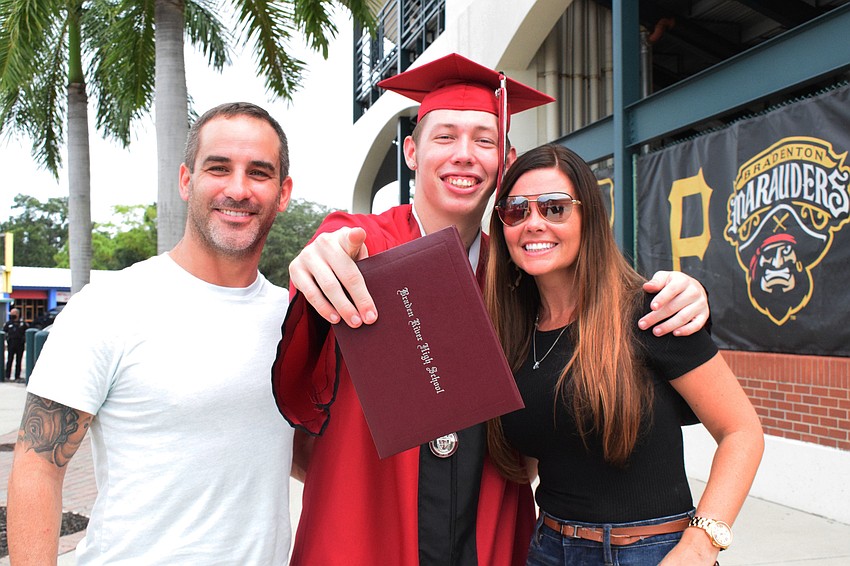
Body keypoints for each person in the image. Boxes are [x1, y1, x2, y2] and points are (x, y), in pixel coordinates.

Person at [273, 53, 711, 565]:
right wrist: (320, 259)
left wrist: (685, 289)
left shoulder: (520, 278)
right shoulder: (364, 245)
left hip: (490, 526)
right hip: (369, 525)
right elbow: (327, 269)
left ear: (505, 159)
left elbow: (598, 300)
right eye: (445, 137)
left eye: (484, 140)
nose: (465, 154)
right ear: (412, 152)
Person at [7, 102, 295, 565]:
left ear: (282, 193)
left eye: (258, 173)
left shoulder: (293, 319)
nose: (238, 189)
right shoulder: (109, 306)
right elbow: (38, 464)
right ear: (186, 180)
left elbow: (293, 451)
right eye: (218, 168)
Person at [484, 144, 764, 565]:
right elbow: (527, 462)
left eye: (555, 208)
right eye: (516, 210)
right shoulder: (513, 334)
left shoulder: (650, 311)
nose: (533, 223)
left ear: (588, 217)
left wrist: (699, 546)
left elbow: (742, 432)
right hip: (548, 547)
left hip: (649, 552)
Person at [4, 308, 27, 381]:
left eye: (13, 314)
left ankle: (17, 376)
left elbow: (26, 332)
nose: (11, 315)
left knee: (18, 361)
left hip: (20, 344)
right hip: (11, 344)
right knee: (9, 360)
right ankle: (7, 376)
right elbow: (4, 331)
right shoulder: (8, 323)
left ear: (17, 314)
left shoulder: (22, 323)